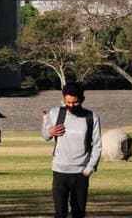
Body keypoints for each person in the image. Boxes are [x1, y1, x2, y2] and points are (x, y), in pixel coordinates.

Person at [42, 83, 102, 218]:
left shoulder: (91, 118)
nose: (71, 105)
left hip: (81, 173)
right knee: (60, 213)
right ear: (63, 99)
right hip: (60, 172)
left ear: (82, 99)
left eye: (75, 102)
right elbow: (45, 136)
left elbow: (97, 146)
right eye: (67, 102)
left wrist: (89, 168)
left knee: (79, 213)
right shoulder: (55, 113)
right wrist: (50, 131)